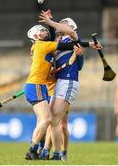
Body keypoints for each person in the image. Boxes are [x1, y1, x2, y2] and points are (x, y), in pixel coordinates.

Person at [24, 21, 102, 160]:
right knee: (48, 120)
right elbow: (67, 45)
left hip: (46, 86)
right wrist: (91, 44)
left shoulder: (46, 46)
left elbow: (74, 58)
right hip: (37, 85)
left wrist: (80, 54)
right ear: (36, 35)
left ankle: (44, 152)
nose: (46, 32)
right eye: (42, 31)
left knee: (50, 121)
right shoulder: (43, 45)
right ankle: (37, 150)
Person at [38, 12, 95, 160]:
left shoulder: (73, 37)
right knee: (52, 120)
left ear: (72, 28)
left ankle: (55, 153)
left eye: (66, 23)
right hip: (59, 84)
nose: (62, 24)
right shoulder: (60, 42)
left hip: (68, 82)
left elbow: (79, 67)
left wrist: (50, 21)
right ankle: (48, 152)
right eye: (61, 23)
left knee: (56, 121)